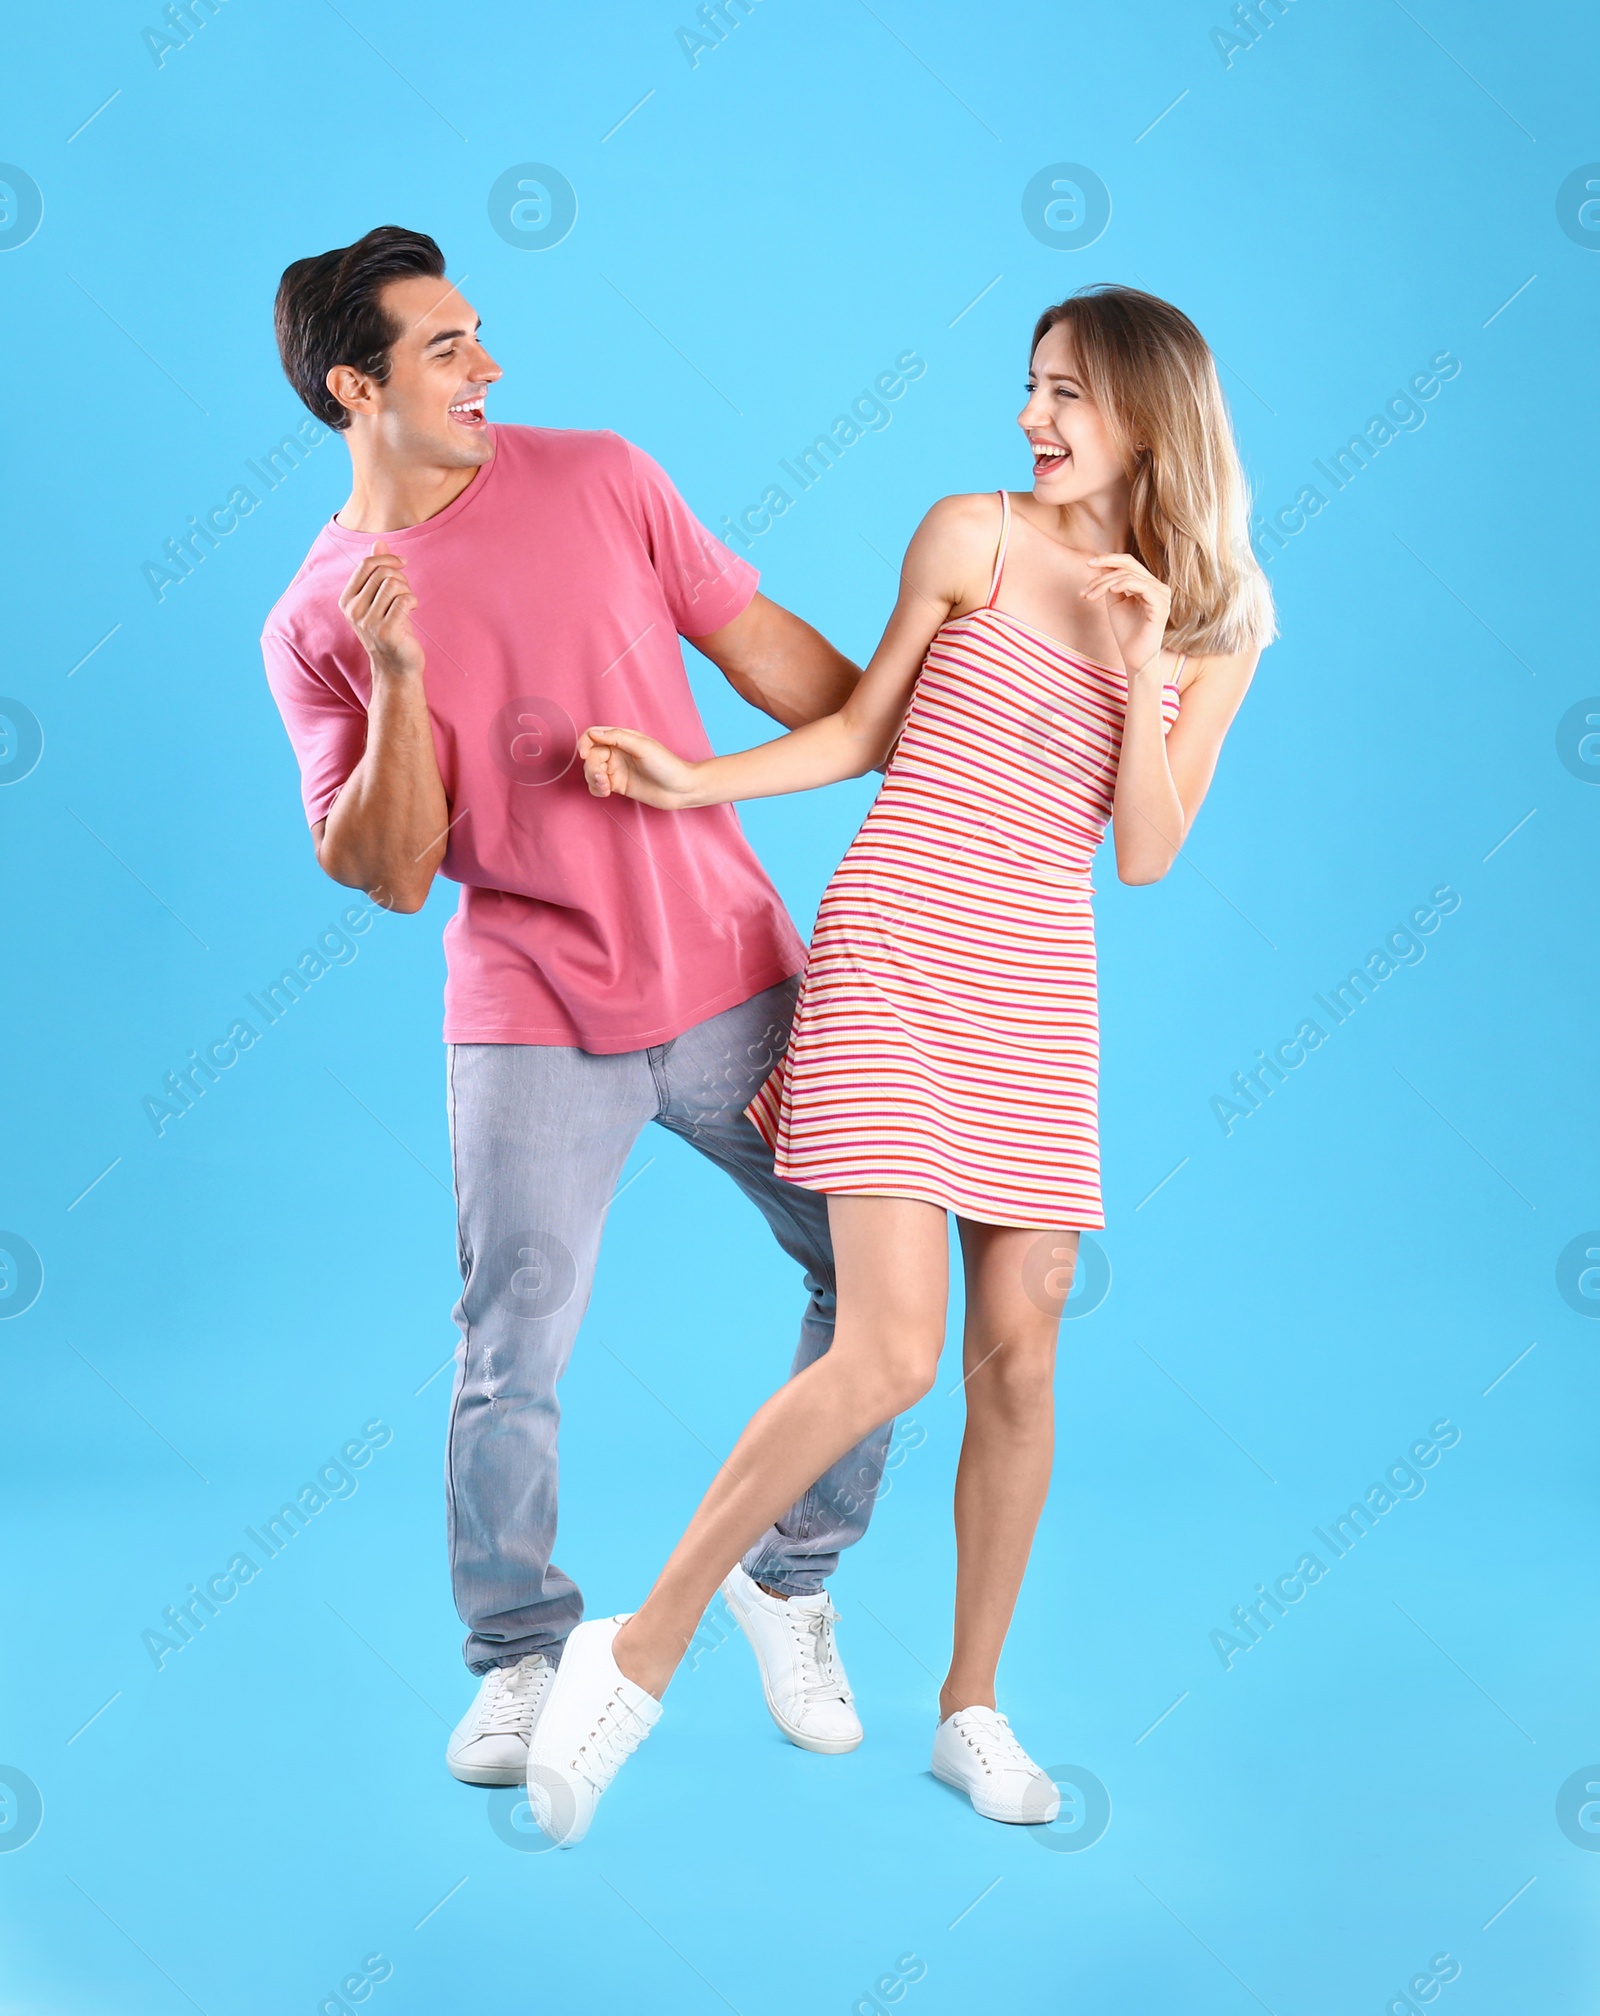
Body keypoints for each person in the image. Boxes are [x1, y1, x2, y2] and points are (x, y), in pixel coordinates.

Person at [526, 284, 1275, 1843]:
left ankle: (971, 1710)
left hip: (1035, 986)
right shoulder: (972, 536)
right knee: (890, 1352)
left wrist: (1146, 663)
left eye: (1067, 393)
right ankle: (635, 1654)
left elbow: (1142, 851)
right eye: (1030, 388)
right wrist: (691, 780)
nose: (1033, 420)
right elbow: (867, 733)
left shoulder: (1226, 620)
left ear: (1151, 409)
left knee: (1028, 1343)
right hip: (890, 949)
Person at [259, 224, 899, 1786]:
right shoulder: (313, 617)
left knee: (879, 1291)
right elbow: (394, 870)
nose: (491, 369)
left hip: (731, 970)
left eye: (482, 336)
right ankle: (521, 1658)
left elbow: (772, 663)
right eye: (447, 350)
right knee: (511, 1348)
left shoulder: (605, 476)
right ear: (356, 387)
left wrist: (962, 708)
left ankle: (786, 1578)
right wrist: (398, 676)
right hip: (529, 1001)